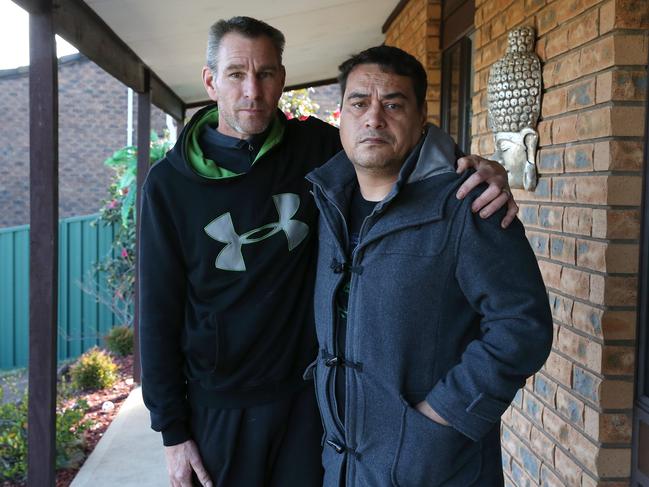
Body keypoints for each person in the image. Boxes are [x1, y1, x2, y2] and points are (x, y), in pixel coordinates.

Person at [139, 17, 518, 487]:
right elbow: (157, 311)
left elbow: (393, 144)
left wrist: (476, 168)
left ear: (283, 77)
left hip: (310, 403)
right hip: (219, 405)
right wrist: (172, 431)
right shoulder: (170, 184)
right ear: (210, 80)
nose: (252, 90)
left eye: (267, 73)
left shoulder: (318, 149)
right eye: (236, 74)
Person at [306, 46, 553, 486]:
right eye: (359, 103)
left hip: (436, 469)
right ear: (340, 115)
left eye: (394, 104)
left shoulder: (469, 201)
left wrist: (439, 419)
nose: (374, 118)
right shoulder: (326, 203)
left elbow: (522, 325)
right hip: (343, 466)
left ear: (423, 118)